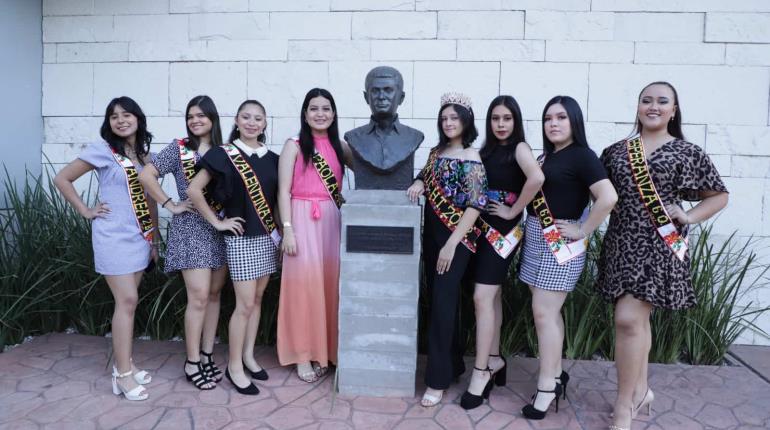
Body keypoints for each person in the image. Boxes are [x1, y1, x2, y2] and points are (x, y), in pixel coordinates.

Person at [597, 82, 728, 430]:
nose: (653, 106)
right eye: (646, 100)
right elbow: (597, 194)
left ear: (674, 110)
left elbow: (718, 196)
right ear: (638, 107)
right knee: (636, 323)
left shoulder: (687, 152)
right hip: (621, 243)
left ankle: (624, 405)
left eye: (662, 101)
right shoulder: (615, 152)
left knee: (627, 320)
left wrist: (689, 215)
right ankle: (641, 392)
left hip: (660, 246)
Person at [54, 96, 159, 401]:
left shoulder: (143, 157)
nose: (121, 120)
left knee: (130, 303)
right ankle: (122, 376)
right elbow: (63, 179)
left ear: (138, 118)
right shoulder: (103, 151)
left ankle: (126, 362)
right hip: (112, 236)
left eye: (127, 114)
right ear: (108, 122)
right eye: (114, 116)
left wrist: (154, 239)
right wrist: (86, 210)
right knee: (126, 301)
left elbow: (150, 199)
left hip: (140, 235)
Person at [519, 95, 617, 420]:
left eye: (561, 117)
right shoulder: (547, 156)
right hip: (536, 238)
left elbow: (608, 197)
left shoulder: (583, 156)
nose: (554, 123)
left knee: (543, 313)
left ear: (574, 121)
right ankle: (557, 373)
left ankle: (547, 386)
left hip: (560, 245)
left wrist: (583, 228)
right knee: (549, 312)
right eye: (548, 118)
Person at [188, 99, 280, 396]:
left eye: (258, 118)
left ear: (265, 124)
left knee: (258, 299)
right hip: (240, 239)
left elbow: (276, 202)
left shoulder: (274, 159)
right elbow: (193, 190)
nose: (252, 122)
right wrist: (217, 222)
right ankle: (234, 367)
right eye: (246, 117)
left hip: (267, 237)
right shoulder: (223, 154)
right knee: (244, 305)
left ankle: (249, 357)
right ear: (237, 121)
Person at [138, 95, 228, 390]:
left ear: (213, 119)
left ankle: (206, 355)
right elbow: (146, 175)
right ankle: (191, 362)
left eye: (201, 115)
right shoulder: (179, 149)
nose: (195, 120)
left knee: (214, 296)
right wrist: (169, 203)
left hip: (220, 227)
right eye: (191, 116)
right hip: (191, 228)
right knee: (199, 296)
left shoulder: (225, 150)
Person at [460, 95, 544, 410]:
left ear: (516, 120)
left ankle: (480, 372)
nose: (501, 124)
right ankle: (494, 360)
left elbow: (537, 178)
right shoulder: (485, 150)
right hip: (480, 230)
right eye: (496, 118)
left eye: (507, 118)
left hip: (503, 234)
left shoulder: (519, 148)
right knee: (490, 298)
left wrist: (513, 211)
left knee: (481, 298)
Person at [406, 92, 487, 407]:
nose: (449, 122)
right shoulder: (435, 152)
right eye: (445, 119)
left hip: (457, 241)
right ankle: (452, 365)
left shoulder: (472, 157)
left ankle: (437, 381)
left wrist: (451, 245)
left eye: (454, 117)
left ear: (466, 121)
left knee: (442, 306)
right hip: (433, 238)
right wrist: (419, 182)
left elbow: (476, 205)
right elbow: (426, 178)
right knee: (441, 303)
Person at [276, 88, 353, 383]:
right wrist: (287, 229)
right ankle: (303, 353)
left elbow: (373, 170)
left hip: (331, 220)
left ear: (333, 114)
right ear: (305, 114)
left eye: (326, 108)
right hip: (300, 218)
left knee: (329, 287)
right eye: (313, 108)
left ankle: (329, 351)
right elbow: (282, 190)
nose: (320, 114)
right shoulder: (294, 146)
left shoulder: (341, 147)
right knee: (303, 289)